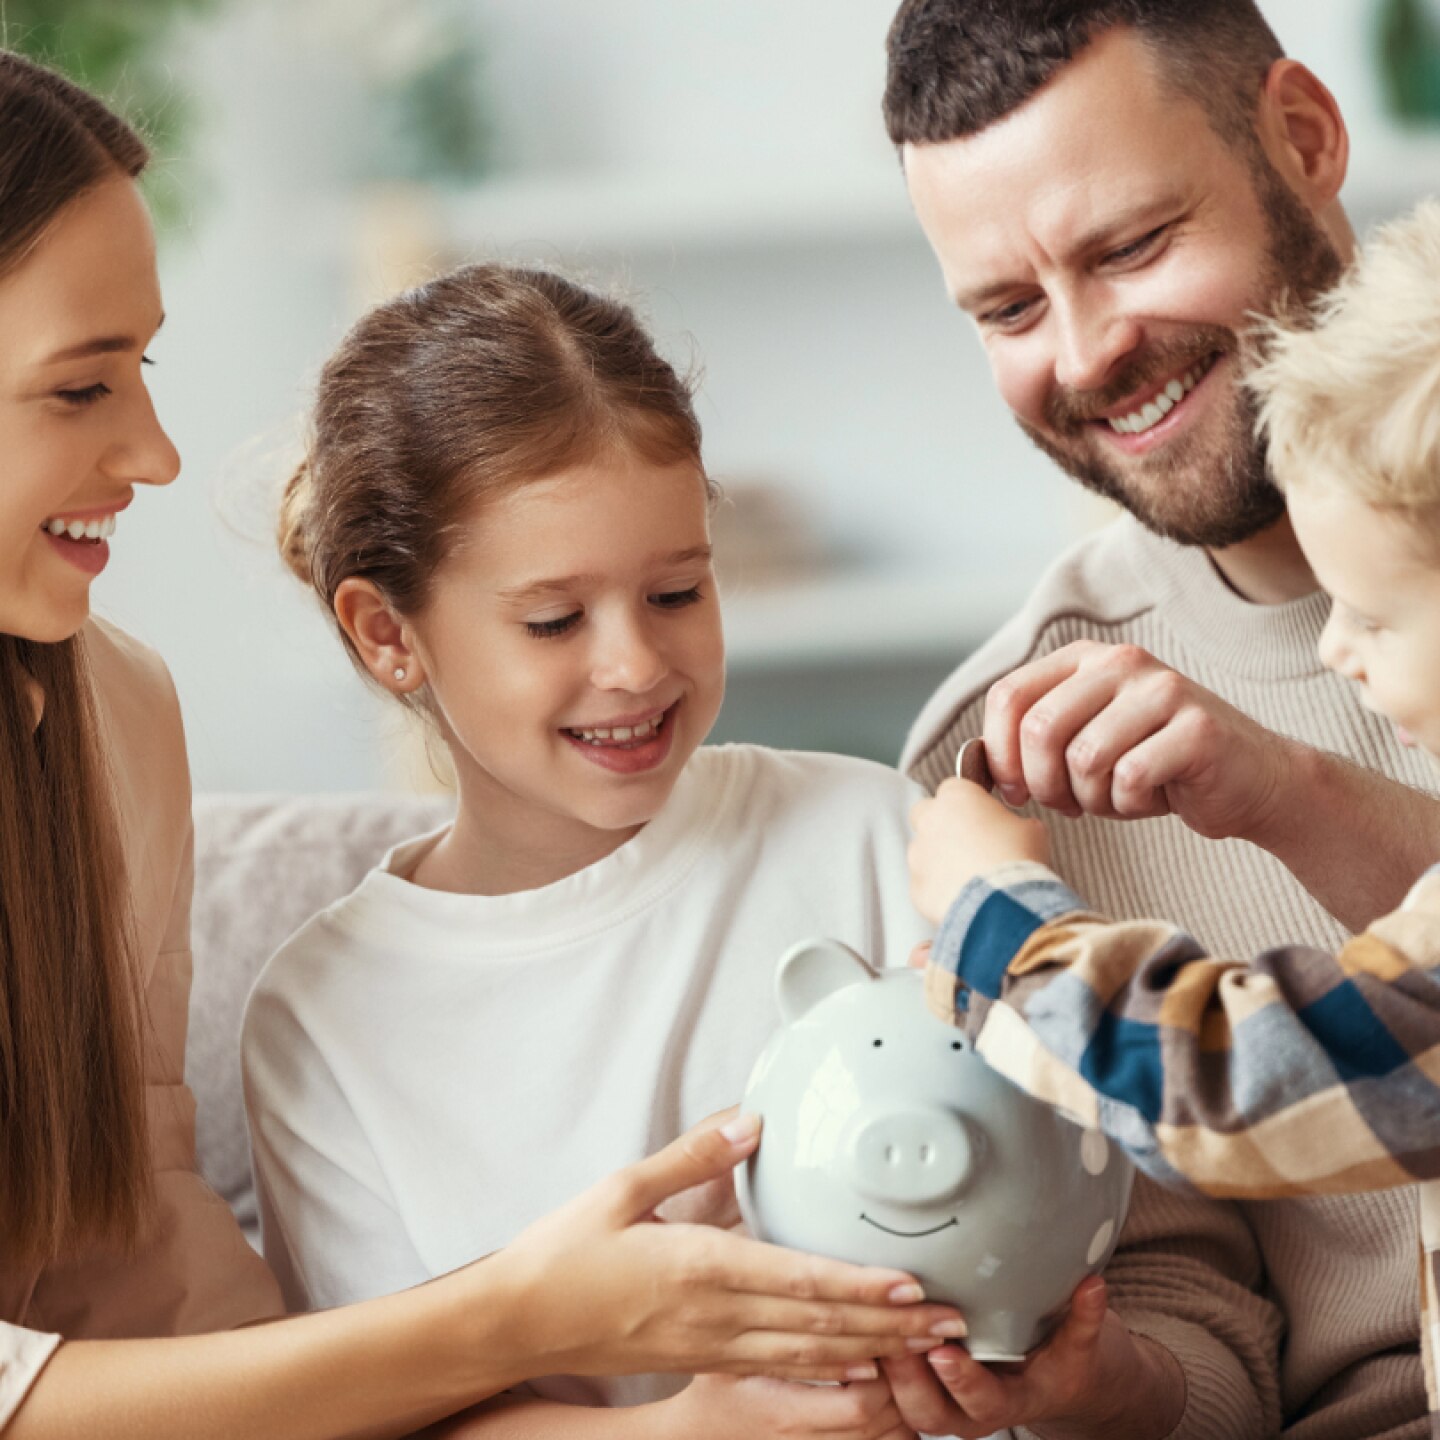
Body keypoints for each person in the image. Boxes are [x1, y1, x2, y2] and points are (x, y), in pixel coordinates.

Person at [0, 47, 961, 1440]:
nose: (155, 451)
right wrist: (552, 1321)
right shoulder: (338, 1016)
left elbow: (142, 1261)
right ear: (388, 636)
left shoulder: (107, 720)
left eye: (138, 370)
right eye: (81, 389)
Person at [241, 258, 961, 1440]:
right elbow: (394, 1412)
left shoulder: (873, 837)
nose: (634, 665)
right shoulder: (324, 1017)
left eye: (677, 592)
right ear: (387, 637)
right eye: (553, 620)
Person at [881, 2, 1440, 1438]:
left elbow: (1235, 1073)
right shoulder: (1009, 754)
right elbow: (1183, 1332)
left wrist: (1291, 792)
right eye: (1007, 308)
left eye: (1131, 247)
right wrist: (1089, 1384)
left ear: (1304, 138)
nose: (1084, 353)